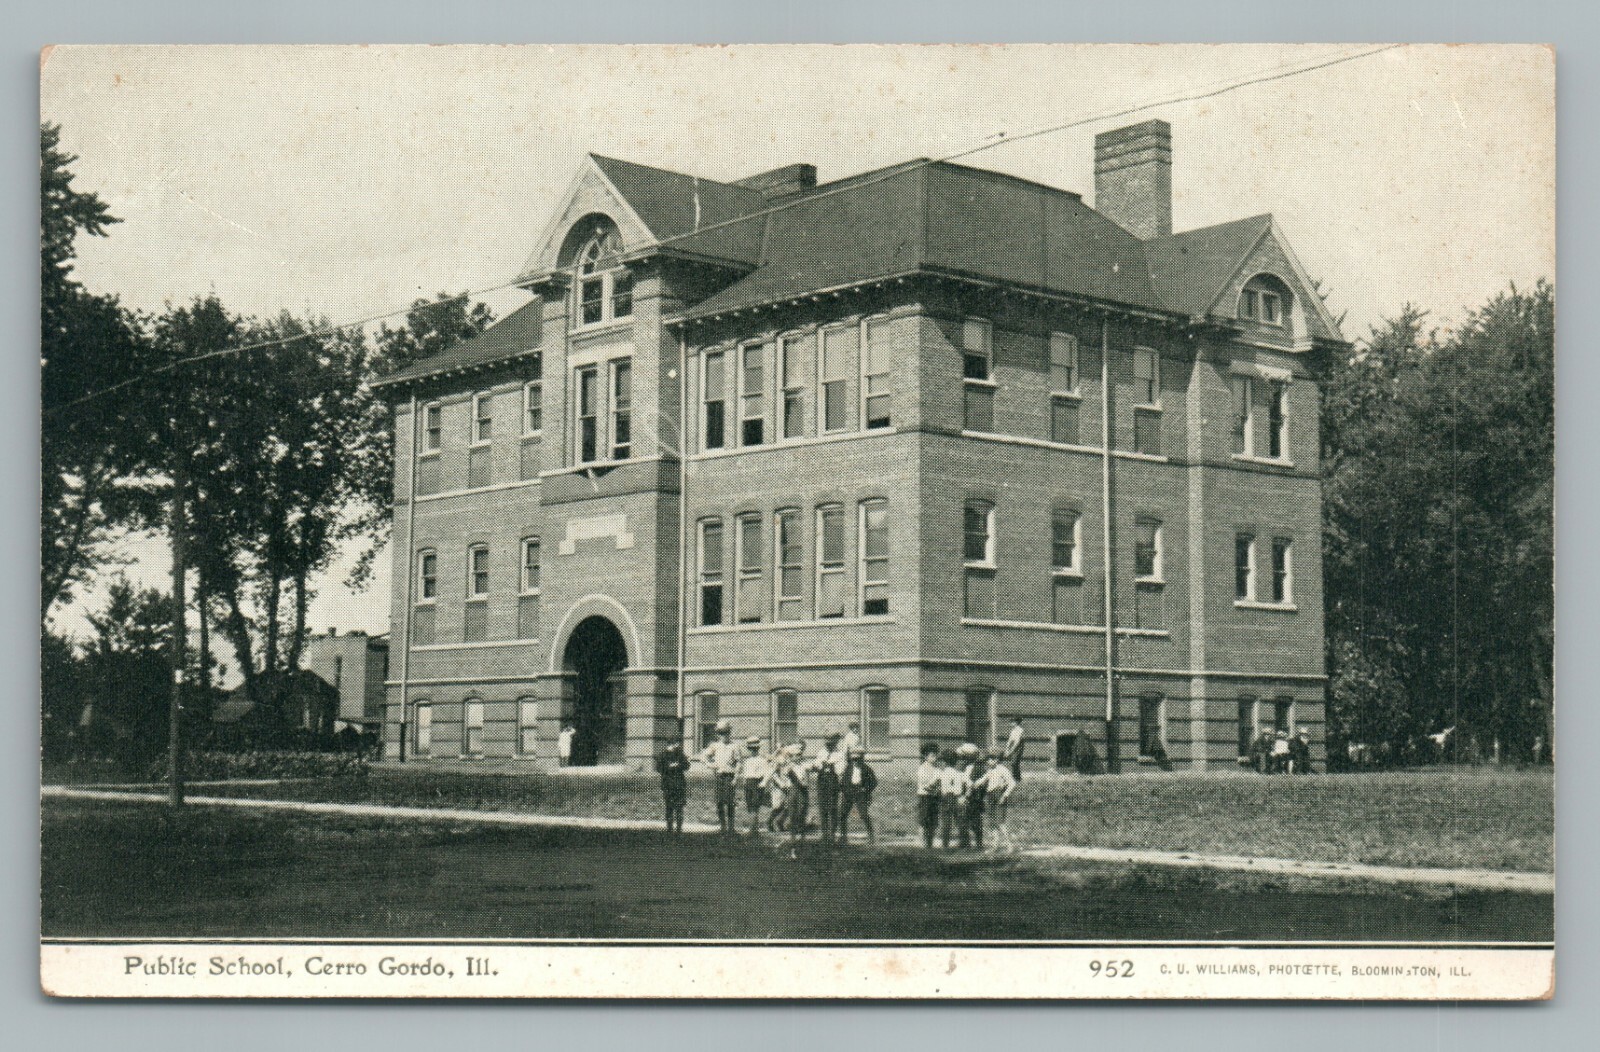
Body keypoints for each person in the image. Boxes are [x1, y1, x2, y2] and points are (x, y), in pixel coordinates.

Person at [698, 720, 741, 833]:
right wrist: (710, 765)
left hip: (729, 776)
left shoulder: (734, 746)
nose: (724, 736)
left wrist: (736, 778)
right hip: (719, 776)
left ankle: (731, 827)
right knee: (719, 802)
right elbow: (703, 756)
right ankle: (723, 826)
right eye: (721, 733)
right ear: (718, 734)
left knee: (730, 802)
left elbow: (739, 763)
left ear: (729, 733)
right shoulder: (715, 746)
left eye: (726, 733)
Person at [980, 745, 1017, 852]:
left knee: (1000, 822)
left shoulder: (1003, 770)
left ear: (997, 759)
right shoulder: (990, 770)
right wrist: (975, 783)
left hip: (999, 795)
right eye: (988, 759)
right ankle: (994, 845)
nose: (988, 761)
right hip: (990, 796)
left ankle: (1009, 845)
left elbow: (1012, 783)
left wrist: (1004, 795)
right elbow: (983, 779)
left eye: (991, 759)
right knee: (991, 822)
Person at [813, 731, 847, 844]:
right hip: (822, 783)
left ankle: (832, 833)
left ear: (836, 742)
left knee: (832, 808)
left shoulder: (840, 754)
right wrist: (819, 765)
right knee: (823, 809)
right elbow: (816, 765)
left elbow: (840, 770)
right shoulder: (821, 752)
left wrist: (830, 765)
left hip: (833, 783)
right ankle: (824, 834)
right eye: (827, 743)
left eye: (831, 743)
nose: (828, 745)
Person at [838, 747, 878, 844]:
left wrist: (865, 789)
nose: (855, 761)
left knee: (863, 814)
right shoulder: (848, 768)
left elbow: (874, 782)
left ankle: (871, 836)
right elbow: (843, 781)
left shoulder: (867, 769)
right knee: (842, 814)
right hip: (849, 793)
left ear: (862, 758)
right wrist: (844, 790)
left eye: (857, 759)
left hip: (861, 794)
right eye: (853, 759)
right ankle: (843, 837)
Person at [655, 741, 691, 833]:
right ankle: (669, 828)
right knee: (669, 807)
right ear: (671, 744)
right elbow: (659, 768)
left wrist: (679, 765)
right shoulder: (663, 755)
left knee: (679, 807)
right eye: (677, 743)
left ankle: (679, 828)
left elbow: (687, 766)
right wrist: (670, 767)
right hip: (668, 785)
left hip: (679, 785)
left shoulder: (680, 754)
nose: (679, 745)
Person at [939, 750, 969, 849]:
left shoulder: (944, 773)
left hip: (948, 797)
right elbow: (967, 785)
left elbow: (944, 788)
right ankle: (964, 842)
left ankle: (945, 844)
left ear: (945, 762)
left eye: (942, 761)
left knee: (946, 821)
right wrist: (963, 796)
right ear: (955, 761)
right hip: (956, 797)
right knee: (959, 820)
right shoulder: (958, 773)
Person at [741, 736, 771, 834]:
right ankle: (753, 828)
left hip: (757, 783)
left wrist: (764, 783)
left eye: (755, 749)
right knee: (750, 806)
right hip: (748, 784)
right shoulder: (747, 761)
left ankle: (753, 829)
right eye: (751, 749)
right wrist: (744, 782)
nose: (752, 751)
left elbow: (767, 773)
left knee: (755, 806)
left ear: (758, 748)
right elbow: (745, 773)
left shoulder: (762, 760)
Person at [960, 745, 988, 850]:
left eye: (964, 756)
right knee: (964, 820)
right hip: (966, 796)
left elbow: (981, 784)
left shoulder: (979, 768)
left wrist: (969, 792)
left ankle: (978, 843)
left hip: (975, 798)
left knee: (975, 820)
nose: (963, 758)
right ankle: (965, 843)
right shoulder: (965, 767)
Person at [916, 743, 943, 848]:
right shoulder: (922, 769)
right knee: (924, 819)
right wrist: (935, 782)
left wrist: (938, 787)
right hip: (925, 797)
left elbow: (940, 783)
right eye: (932, 756)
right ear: (925, 756)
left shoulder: (937, 769)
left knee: (933, 820)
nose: (934, 758)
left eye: (936, 755)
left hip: (934, 797)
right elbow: (925, 786)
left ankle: (930, 842)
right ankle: (922, 842)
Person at [1003, 717, 1025, 782]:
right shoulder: (1013, 731)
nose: (1011, 723)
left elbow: (1017, 742)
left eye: (1012, 722)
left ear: (1016, 722)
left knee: (1015, 763)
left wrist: (1011, 751)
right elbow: (1009, 740)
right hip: (1013, 747)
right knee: (1013, 763)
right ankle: (1015, 778)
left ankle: (1017, 778)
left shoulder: (1020, 730)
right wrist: (1007, 749)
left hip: (1018, 748)